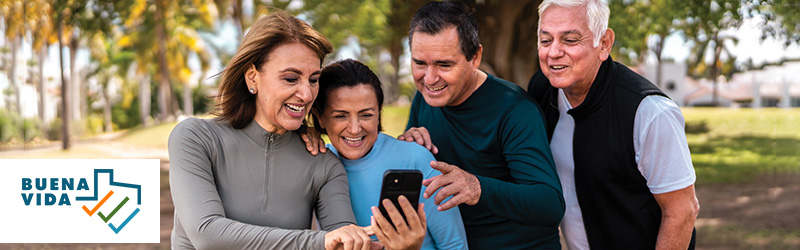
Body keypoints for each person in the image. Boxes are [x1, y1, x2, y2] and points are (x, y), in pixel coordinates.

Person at [168, 12, 383, 250]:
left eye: (313, 79)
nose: (307, 94)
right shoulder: (196, 139)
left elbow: (343, 241)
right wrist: (319, 241)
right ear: (252, 78)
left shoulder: (324, 164)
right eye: (291, 79)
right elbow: (207, 234)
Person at [527, 0, 700, 249]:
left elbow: (682, 210)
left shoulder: (649, 112)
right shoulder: (542, 90)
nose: (553, 52)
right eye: (545, 40)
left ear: (604, 44)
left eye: (570, 40)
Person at [398, 1, 565, 249]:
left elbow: (550, 204)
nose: (430, 79)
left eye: (444, 65)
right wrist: (408, 146)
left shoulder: (515, 110)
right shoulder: (423, 100)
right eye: (420, 63)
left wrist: (477, 187)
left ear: (475, 57)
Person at [309, 59, 469, 250]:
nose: (354, 129)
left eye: (366, 115)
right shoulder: (316, 165)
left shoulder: (415, 159)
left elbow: (455, 245)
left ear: (379, 113)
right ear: (320, 117)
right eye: (340, 116)